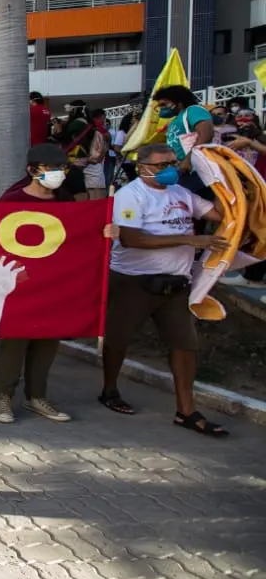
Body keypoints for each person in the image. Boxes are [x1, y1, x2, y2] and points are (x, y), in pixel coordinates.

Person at [101, 143, 229, 437]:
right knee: (119, 339)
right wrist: (188, 241)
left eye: (172, 162)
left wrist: (225, 183)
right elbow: (132, 239)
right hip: (134, 281)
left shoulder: (181, 193)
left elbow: (218, 214)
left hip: (176, 283)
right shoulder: (129, 196)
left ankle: (186, 411)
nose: (170, 169)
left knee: (184, 345)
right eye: (161, 165)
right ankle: (109, 390)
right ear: (142, 167)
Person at [0, 144, 118, 423]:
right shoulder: (12, 200)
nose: (59, 173)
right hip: (20, 286)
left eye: (63, 168)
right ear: (32, 170)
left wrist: (105, 232)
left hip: (54, 286)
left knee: (47, 341)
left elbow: (77, 239)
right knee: (15, 343)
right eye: (52, 169)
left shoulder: (63, 199)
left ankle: (37, 397)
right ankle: (3, 397)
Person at [153, 85, 215, 191]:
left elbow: (207, 134)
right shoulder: (175, 120)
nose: (161, 109)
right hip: (182, 170)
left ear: (178, 101)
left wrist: (188, 160)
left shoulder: (194, 110)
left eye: (164, 104)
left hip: (197, 169)